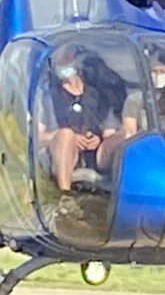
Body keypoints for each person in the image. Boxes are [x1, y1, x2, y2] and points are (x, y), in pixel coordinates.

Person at [38, 44, 123, 192]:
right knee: (66, 135)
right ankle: (65, 193)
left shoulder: (97, 94)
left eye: (67, 61)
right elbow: (38, 137)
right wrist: (70, 138)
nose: (64, 67)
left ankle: (119, 188)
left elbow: (109, 131)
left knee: (122, 138)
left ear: (77, 64)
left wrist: (98, 139)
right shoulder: (48, 97)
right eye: (59, 63)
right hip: (66, 155)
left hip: (96, 155)